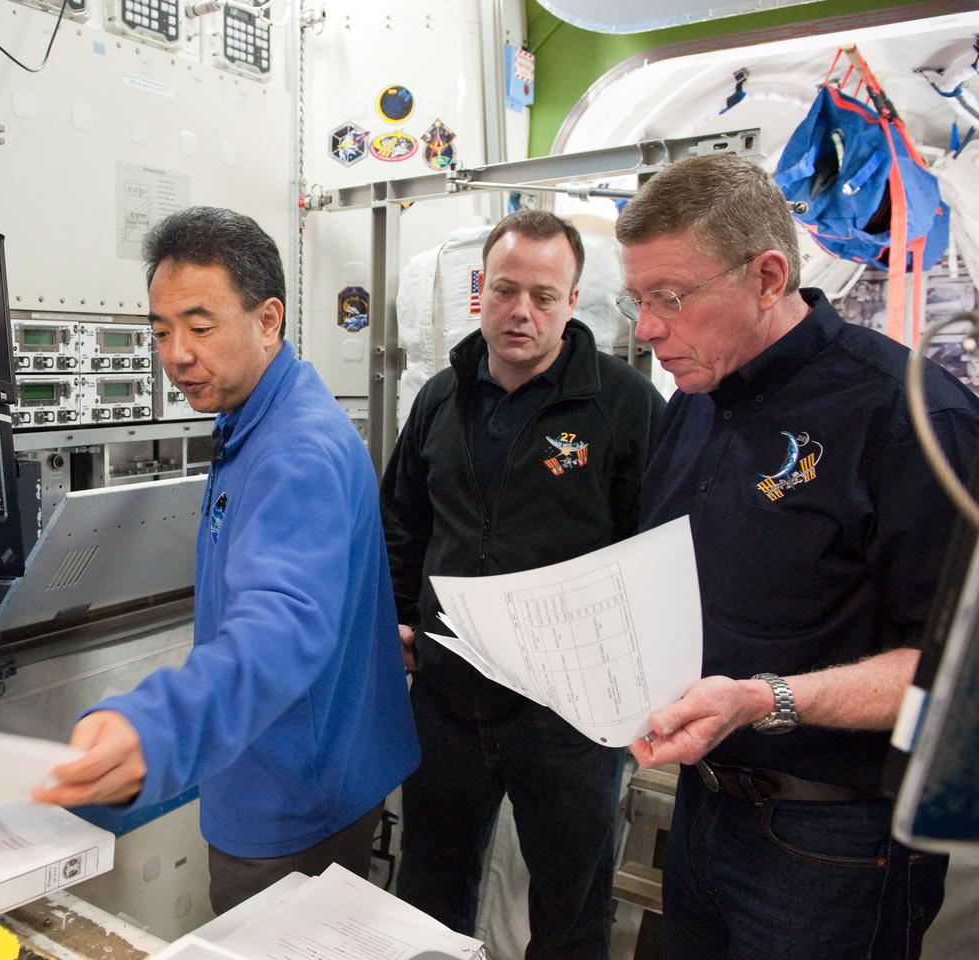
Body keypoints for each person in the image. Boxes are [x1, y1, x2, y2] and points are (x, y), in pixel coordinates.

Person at [616, 153, 979, 959]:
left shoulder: (907, 418)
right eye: (635, 300)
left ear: (768, 276)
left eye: (669, 299)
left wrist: (765, 698)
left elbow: (953, 674)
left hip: (834, 840)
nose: (646, 329)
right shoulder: (692, 408)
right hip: (707, 807)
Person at [33, 206, 419, 914]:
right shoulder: (258, 415)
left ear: (267, 319)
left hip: (293, 802)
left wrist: (158, 725)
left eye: (200, 326)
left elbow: (281, 625)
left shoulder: (295, 449)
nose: (177, 353)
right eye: (161, 331)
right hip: (314, 768)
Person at [381, 210, 666, 959]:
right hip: (448, 698)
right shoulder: (441, 398)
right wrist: (400, 618)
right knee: (429, 890)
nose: (521, 311)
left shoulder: (624, 405)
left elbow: (660, 548)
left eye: (545, 295)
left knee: (570, 910)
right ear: (482, 291)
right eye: (506, 290)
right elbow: (402, 524)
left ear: (573, 301)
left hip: (567, 714)